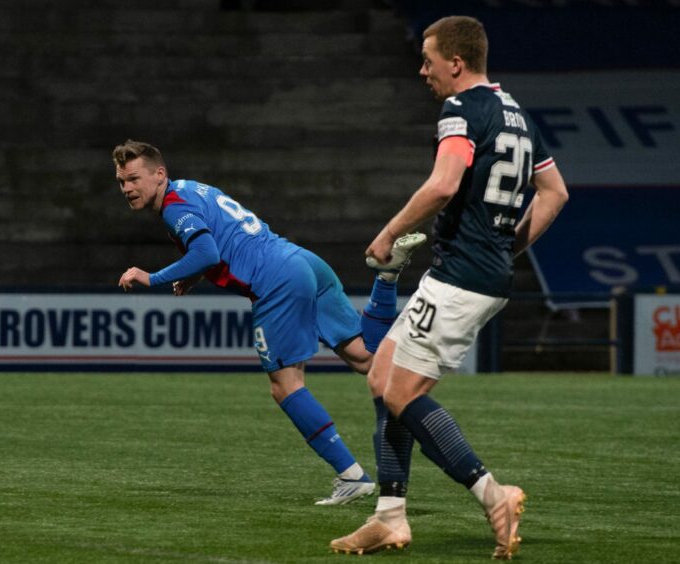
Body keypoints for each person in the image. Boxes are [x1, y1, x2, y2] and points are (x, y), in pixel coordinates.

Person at [329, 16, 569, 559]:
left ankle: (493, 493)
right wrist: (504, 246)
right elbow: (554, 192)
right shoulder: (518, 114)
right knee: (381, 376)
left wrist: (389, 232)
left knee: (400, 392)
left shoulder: (461, 109)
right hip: (473, 273)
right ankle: (389, 517)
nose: (422, 70)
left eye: (428, 59)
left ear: (455, 63)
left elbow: (444, 183)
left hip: (461, 278)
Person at [113, 139, 426, 506]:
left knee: (285, 386)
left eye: (133, 178)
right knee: (365, 359)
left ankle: (351, 476)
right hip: (301, 260)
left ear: (159, 174)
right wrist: (198, 275)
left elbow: (207, 250)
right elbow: (221, 240)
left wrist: (152, 277)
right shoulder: (190, 188)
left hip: (275, 280)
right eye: (121, 182)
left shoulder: (173, 206)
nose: (127, 188)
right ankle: (386, 278)